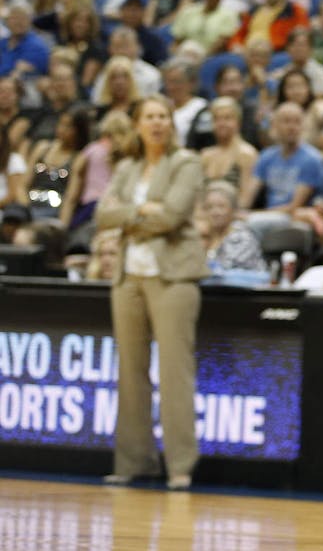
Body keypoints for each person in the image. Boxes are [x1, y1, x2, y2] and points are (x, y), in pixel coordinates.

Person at [95, 95, 206, 491]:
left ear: (172, 124)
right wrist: (143, 212)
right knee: (130, 372)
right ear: (138, 125)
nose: (157, 124)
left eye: (164, 117)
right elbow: (102, 215)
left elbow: (174, 214)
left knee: (175, 373)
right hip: (128, 277)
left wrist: (131, 216)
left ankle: (180, 464)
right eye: (150, 117)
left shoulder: (186, 163)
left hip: (173, 277)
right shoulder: (127, 167)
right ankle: (133, 461)